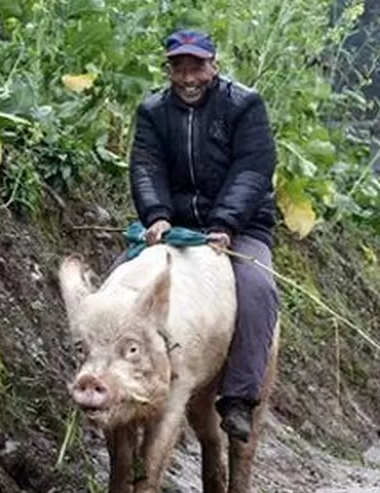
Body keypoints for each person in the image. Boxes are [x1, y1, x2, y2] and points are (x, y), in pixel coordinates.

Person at [127, 28, 280, 443]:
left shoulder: (244, 105)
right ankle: (123, 379)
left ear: (214, 66)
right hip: (175, 229)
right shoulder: (152, 111)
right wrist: (156, 215)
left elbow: (253, 168)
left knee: (258, 289)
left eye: (197, 66)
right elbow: (145, 167)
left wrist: (225, 224)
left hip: (240, 226)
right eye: (180, 67)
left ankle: (238, 398)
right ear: (170, 70)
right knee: (123, 287)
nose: (189, 76)